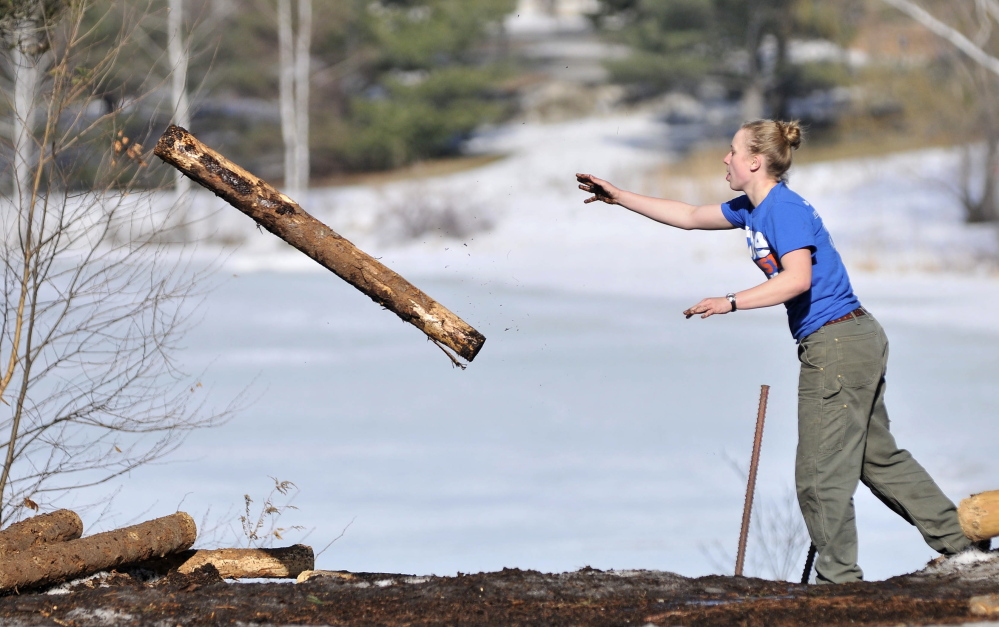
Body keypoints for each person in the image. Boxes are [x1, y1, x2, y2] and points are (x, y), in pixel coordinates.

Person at [575, 119, 979, 584]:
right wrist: (619, 196)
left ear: (755, 161)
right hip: (849, 339)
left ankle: (838, 584)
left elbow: (797, 279)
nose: (725, 159)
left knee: (818, 474)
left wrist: (729, 301)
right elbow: (688, 216)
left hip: (838, 343)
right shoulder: (753, 208)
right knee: (875, 460)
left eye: (732, 151)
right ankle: (963, 546)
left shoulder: (783, 210)